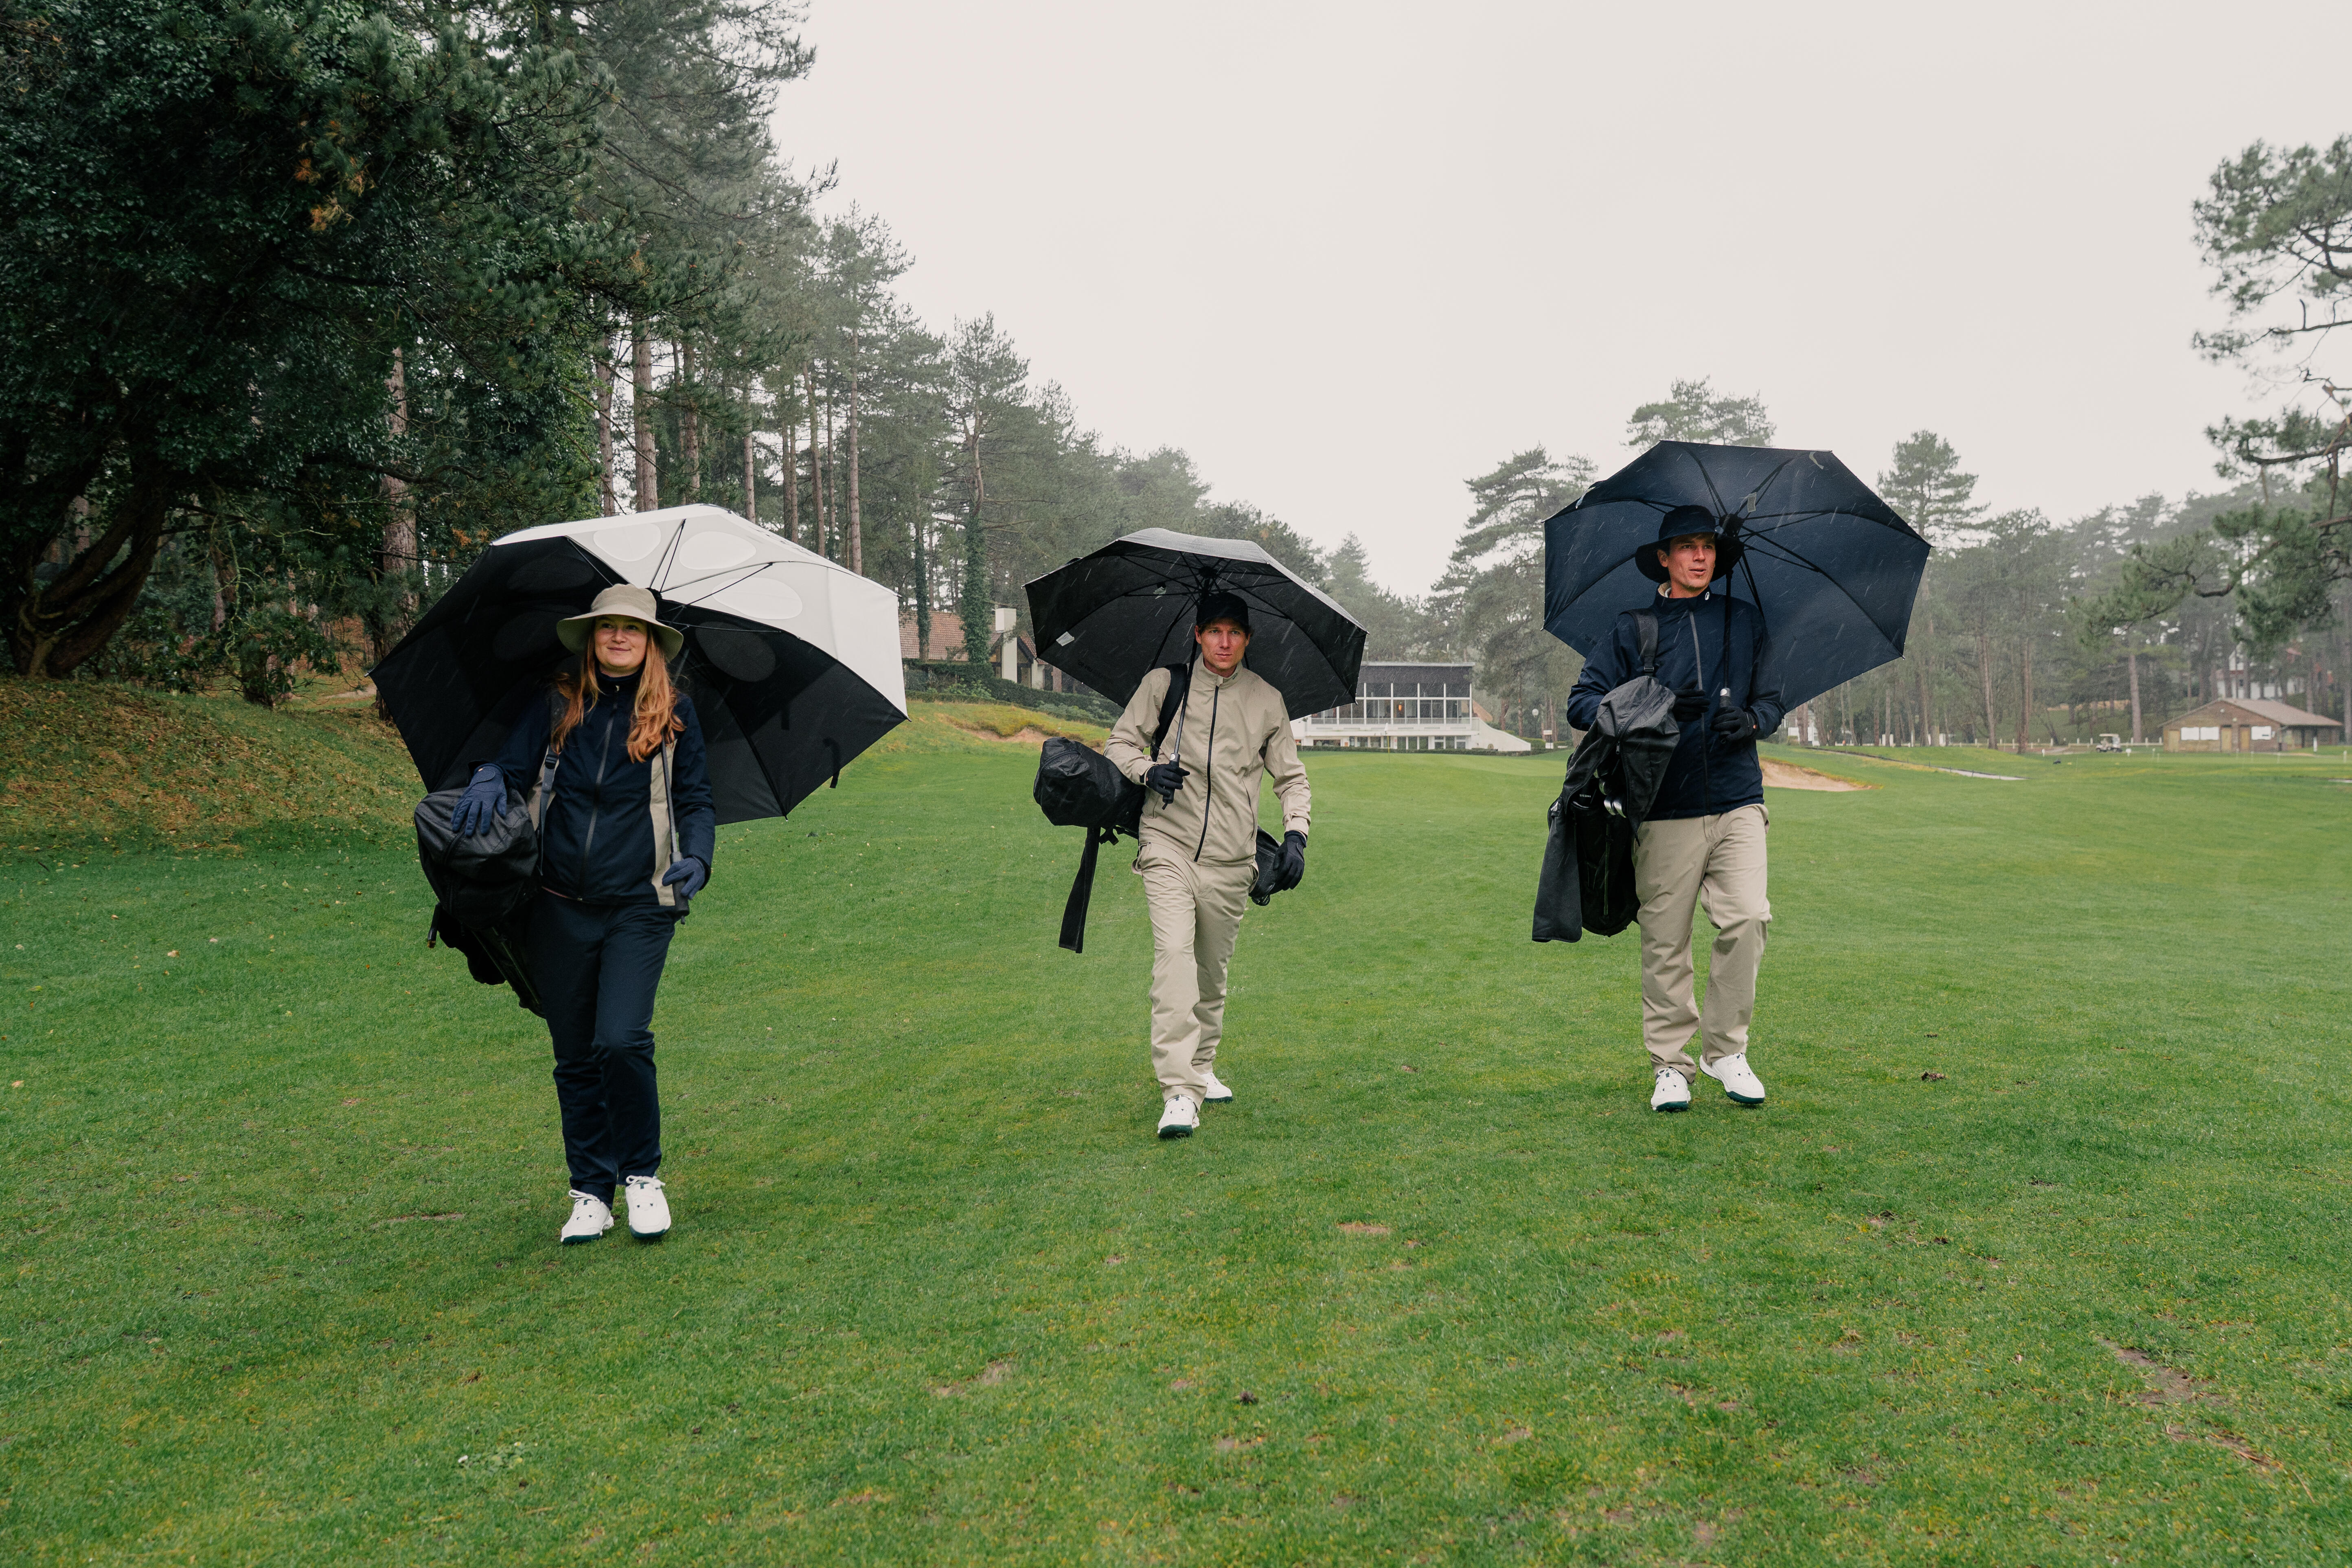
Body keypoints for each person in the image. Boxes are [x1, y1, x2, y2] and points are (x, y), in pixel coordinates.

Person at [450, 583, 716, 1243]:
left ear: (651, 643)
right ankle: (590, 1191)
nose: (619, 637)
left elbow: (698, 801)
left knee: (620, 1040)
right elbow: (511, 770)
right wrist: (488, 774)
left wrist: (700, 859)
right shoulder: (558, 703)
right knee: (574, 1055)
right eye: (607, 628)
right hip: (558, 906)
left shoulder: (676, 715)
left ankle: (642, 1180)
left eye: (632, 628)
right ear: (591, 639)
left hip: (640, 905)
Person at [1565, 507, 1784, 1113]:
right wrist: (1655, 706)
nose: (1698, 557)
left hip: (1739, 797)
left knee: (1746, 918)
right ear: (1663, 557)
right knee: (1665, 942)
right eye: (1685, 547)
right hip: (1662, 806)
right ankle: (1671, 1066)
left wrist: (1755, 719)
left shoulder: (1744, 621)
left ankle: (1725, 1051)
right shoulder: (1632, 628)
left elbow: (1771, 699)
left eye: (1707, 547)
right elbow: (1582, 704)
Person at [1104, 592, 1311, 1139]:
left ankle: (1201, 1064)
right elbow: (1120, 744)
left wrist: (1296, 836)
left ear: (1247, 640)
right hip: (1166, 846)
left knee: (1209, 973)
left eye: (1234, 633)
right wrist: (1148, 771)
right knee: (1173, 957)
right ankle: (1178, 1090)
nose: (1224, 642)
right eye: (1214, 631)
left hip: (1232, 859)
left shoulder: (1267, 700)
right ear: (1197, 634)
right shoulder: (1163, 685)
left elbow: (1290, 777)